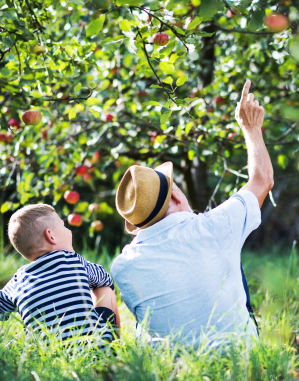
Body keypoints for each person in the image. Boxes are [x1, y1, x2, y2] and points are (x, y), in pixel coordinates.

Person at [111, 80, 273, 348]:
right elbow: (262, 179)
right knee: (230, 254)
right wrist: (251, 128)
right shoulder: (217, 226)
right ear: (175, 196)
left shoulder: (122, 266)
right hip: (239, 360)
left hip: (170, 371)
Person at [0, 204, 120, 348]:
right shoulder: (74, 261)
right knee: (104, 287)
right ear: (50, 236)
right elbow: (104, 277)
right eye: (64, 226)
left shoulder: (18, 281)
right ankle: (114, 344)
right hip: (96, 349)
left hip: (48, 358)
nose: (69, 230)